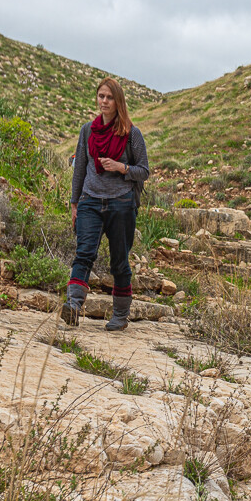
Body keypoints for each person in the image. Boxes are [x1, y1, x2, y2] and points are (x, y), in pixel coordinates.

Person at [61, 77, 150, 330]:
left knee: (119, 260)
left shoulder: (132, 133)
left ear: (118, 100)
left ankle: (120, 316)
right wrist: (75, 203)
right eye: (101, 96)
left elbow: (143, 170)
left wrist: (121, 167)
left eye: (109, 97)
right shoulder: (87, 130)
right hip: (90, 200)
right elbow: (79, 170)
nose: (104, 101)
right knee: (84, 253)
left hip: (121, 204)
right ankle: (74, 306)